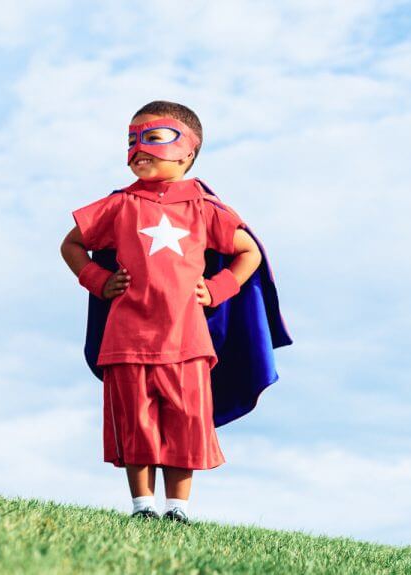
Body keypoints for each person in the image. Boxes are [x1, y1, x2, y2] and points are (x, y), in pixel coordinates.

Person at [60, 100, 263, 523]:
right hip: (127, 336)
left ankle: (178, 509)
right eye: (132, 139)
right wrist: (98, 281)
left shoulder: (204, 207)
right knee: (136, 420)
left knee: (186, 420)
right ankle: (142, 506)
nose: (139, 149)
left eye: (153, 137)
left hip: (186, 337)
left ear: (188, 150)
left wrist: (219, 287)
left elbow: (249, 252)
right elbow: (71, 244)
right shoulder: (118, 205)